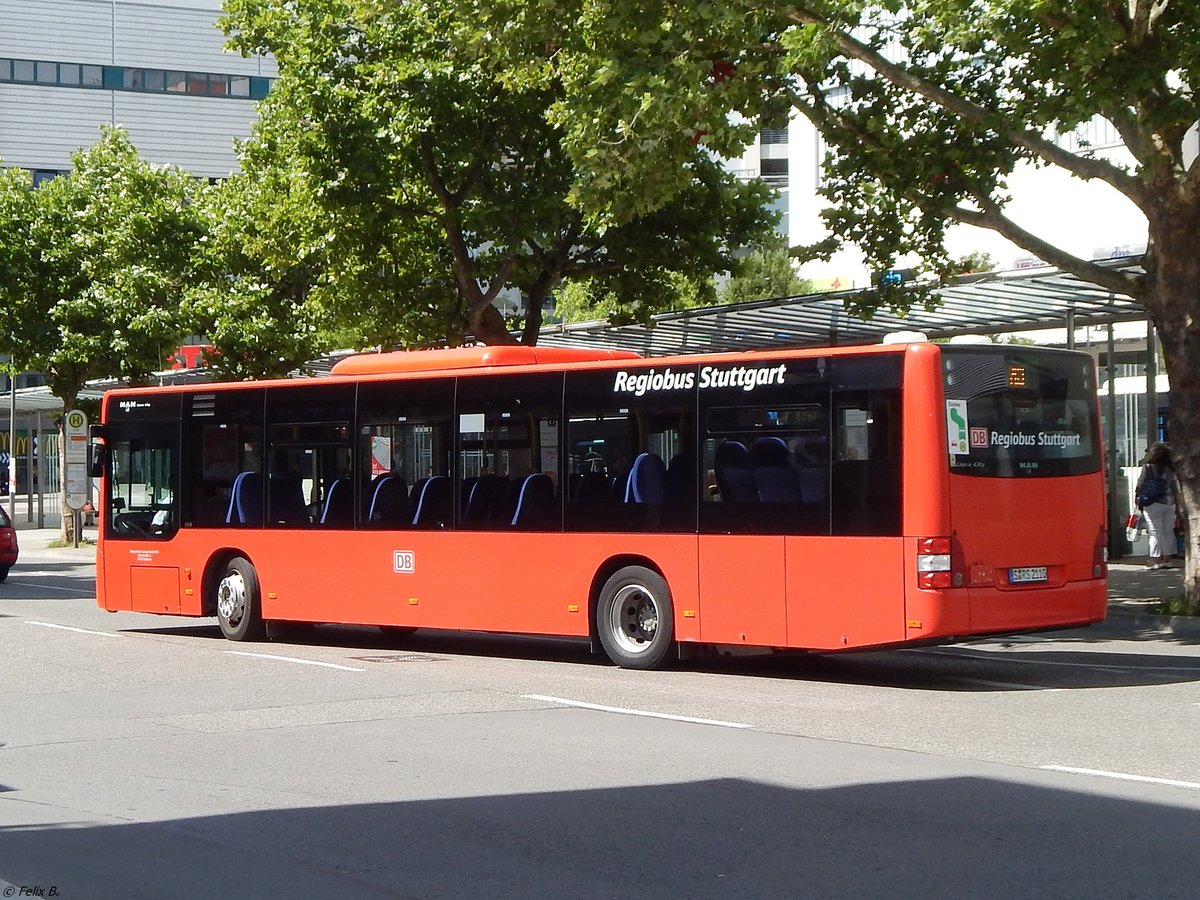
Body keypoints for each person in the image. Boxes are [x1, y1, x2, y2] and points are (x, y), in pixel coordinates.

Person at [1135, 443, 1180, 569]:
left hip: (1152, 503)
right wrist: (1177, 504)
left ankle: (1155, 560)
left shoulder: (1148, 467)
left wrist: (1138, 498)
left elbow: (1140, 484)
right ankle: (1167, 559)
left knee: (1155, 532)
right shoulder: (1171, 468)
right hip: (1169, 503)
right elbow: (1175, 487)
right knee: (1168, 532)